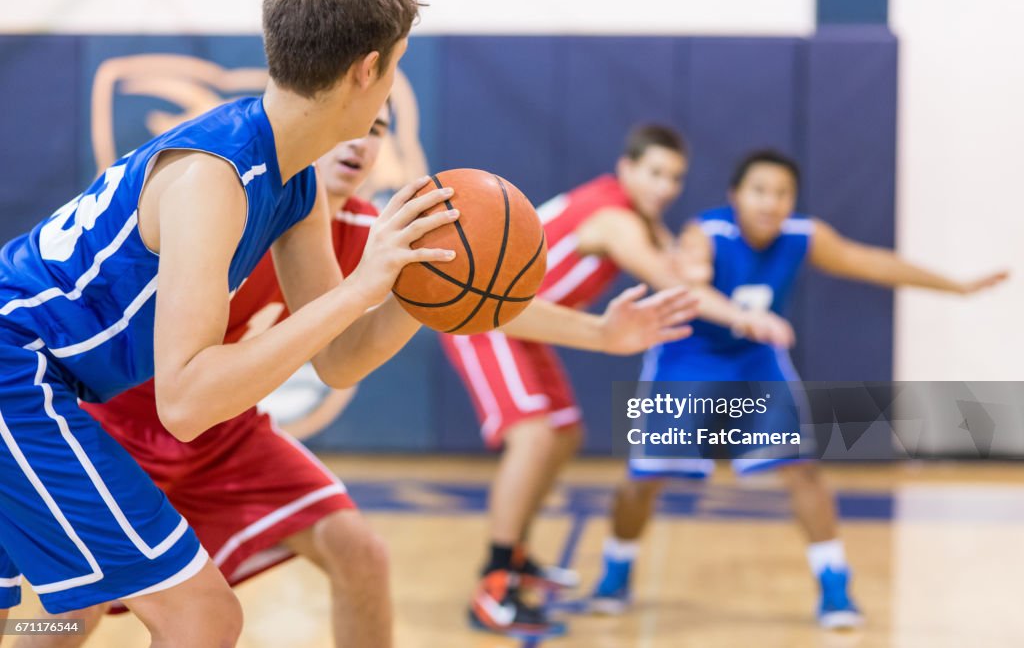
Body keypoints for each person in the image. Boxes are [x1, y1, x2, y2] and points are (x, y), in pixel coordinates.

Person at [17, 100, 699, 647]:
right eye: (358, 123)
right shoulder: (240, 195)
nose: (361, 141)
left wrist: (601, 333)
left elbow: (491, 304)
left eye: (380, 130)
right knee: (65, 619)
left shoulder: (381, 233)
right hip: (122, 423)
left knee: (360, 552)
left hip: (226, 433)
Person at [0, 0, 445, 645]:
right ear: (367, 69)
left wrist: (421, 288)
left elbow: (338, 358)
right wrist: (362, 286)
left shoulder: (290, 176)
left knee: (38, 616)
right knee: (199, 614)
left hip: (40, 375)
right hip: (16, 368)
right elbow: (185, 400)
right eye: (396, 69)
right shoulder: (216, 176)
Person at [591, 148, 1009, 629]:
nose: (771, 203)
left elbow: (871, 262)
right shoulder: (704, 233)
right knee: (643, 478)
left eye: (782, 193)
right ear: (736, 196)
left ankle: (834, 586)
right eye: (760, 191)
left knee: (803, 470)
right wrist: (740, 314)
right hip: (688, 361)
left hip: (757, 361)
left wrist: (955, 286)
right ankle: (616, 569)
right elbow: (692, 289)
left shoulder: (802, 236)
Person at [439, 126, 793, 638]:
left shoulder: (638, 218)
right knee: (535, 436)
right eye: (655, 173)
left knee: (566, 435)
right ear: (625, 170)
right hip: (487, 317)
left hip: (531, 325)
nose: (666, 186)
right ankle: (494, 582)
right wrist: (744, 316)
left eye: (675, 177)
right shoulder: (614, 219)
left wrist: (692, 254)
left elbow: (681, 261)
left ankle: (515, 555)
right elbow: (674, 282)